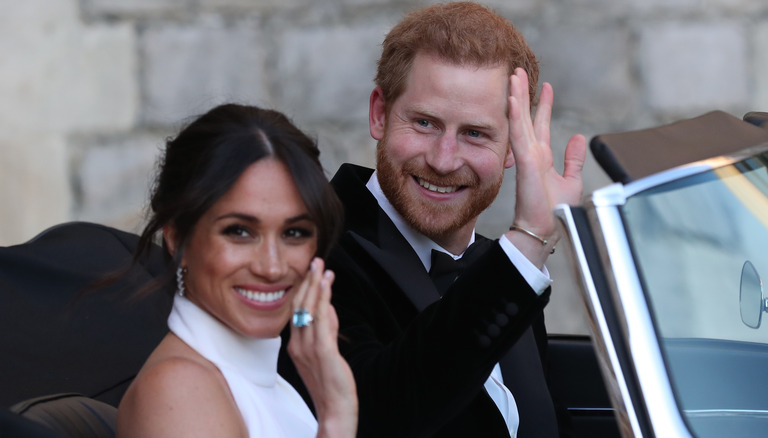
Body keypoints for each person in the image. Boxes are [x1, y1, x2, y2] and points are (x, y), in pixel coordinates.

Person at [277, 2, 587, 438]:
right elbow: (374, 414)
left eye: (475, 133)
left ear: (515, 148)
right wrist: (530, 240)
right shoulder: (311, 251)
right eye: (424, 123)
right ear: (380, 114)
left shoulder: (503, 269)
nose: (444, 160)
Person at [116, 104, 358, 438]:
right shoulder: (180, 389)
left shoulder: (268, 381)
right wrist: (335, 420)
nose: (272, 267)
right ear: (177, 239)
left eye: (294, 233)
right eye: (239, 232)